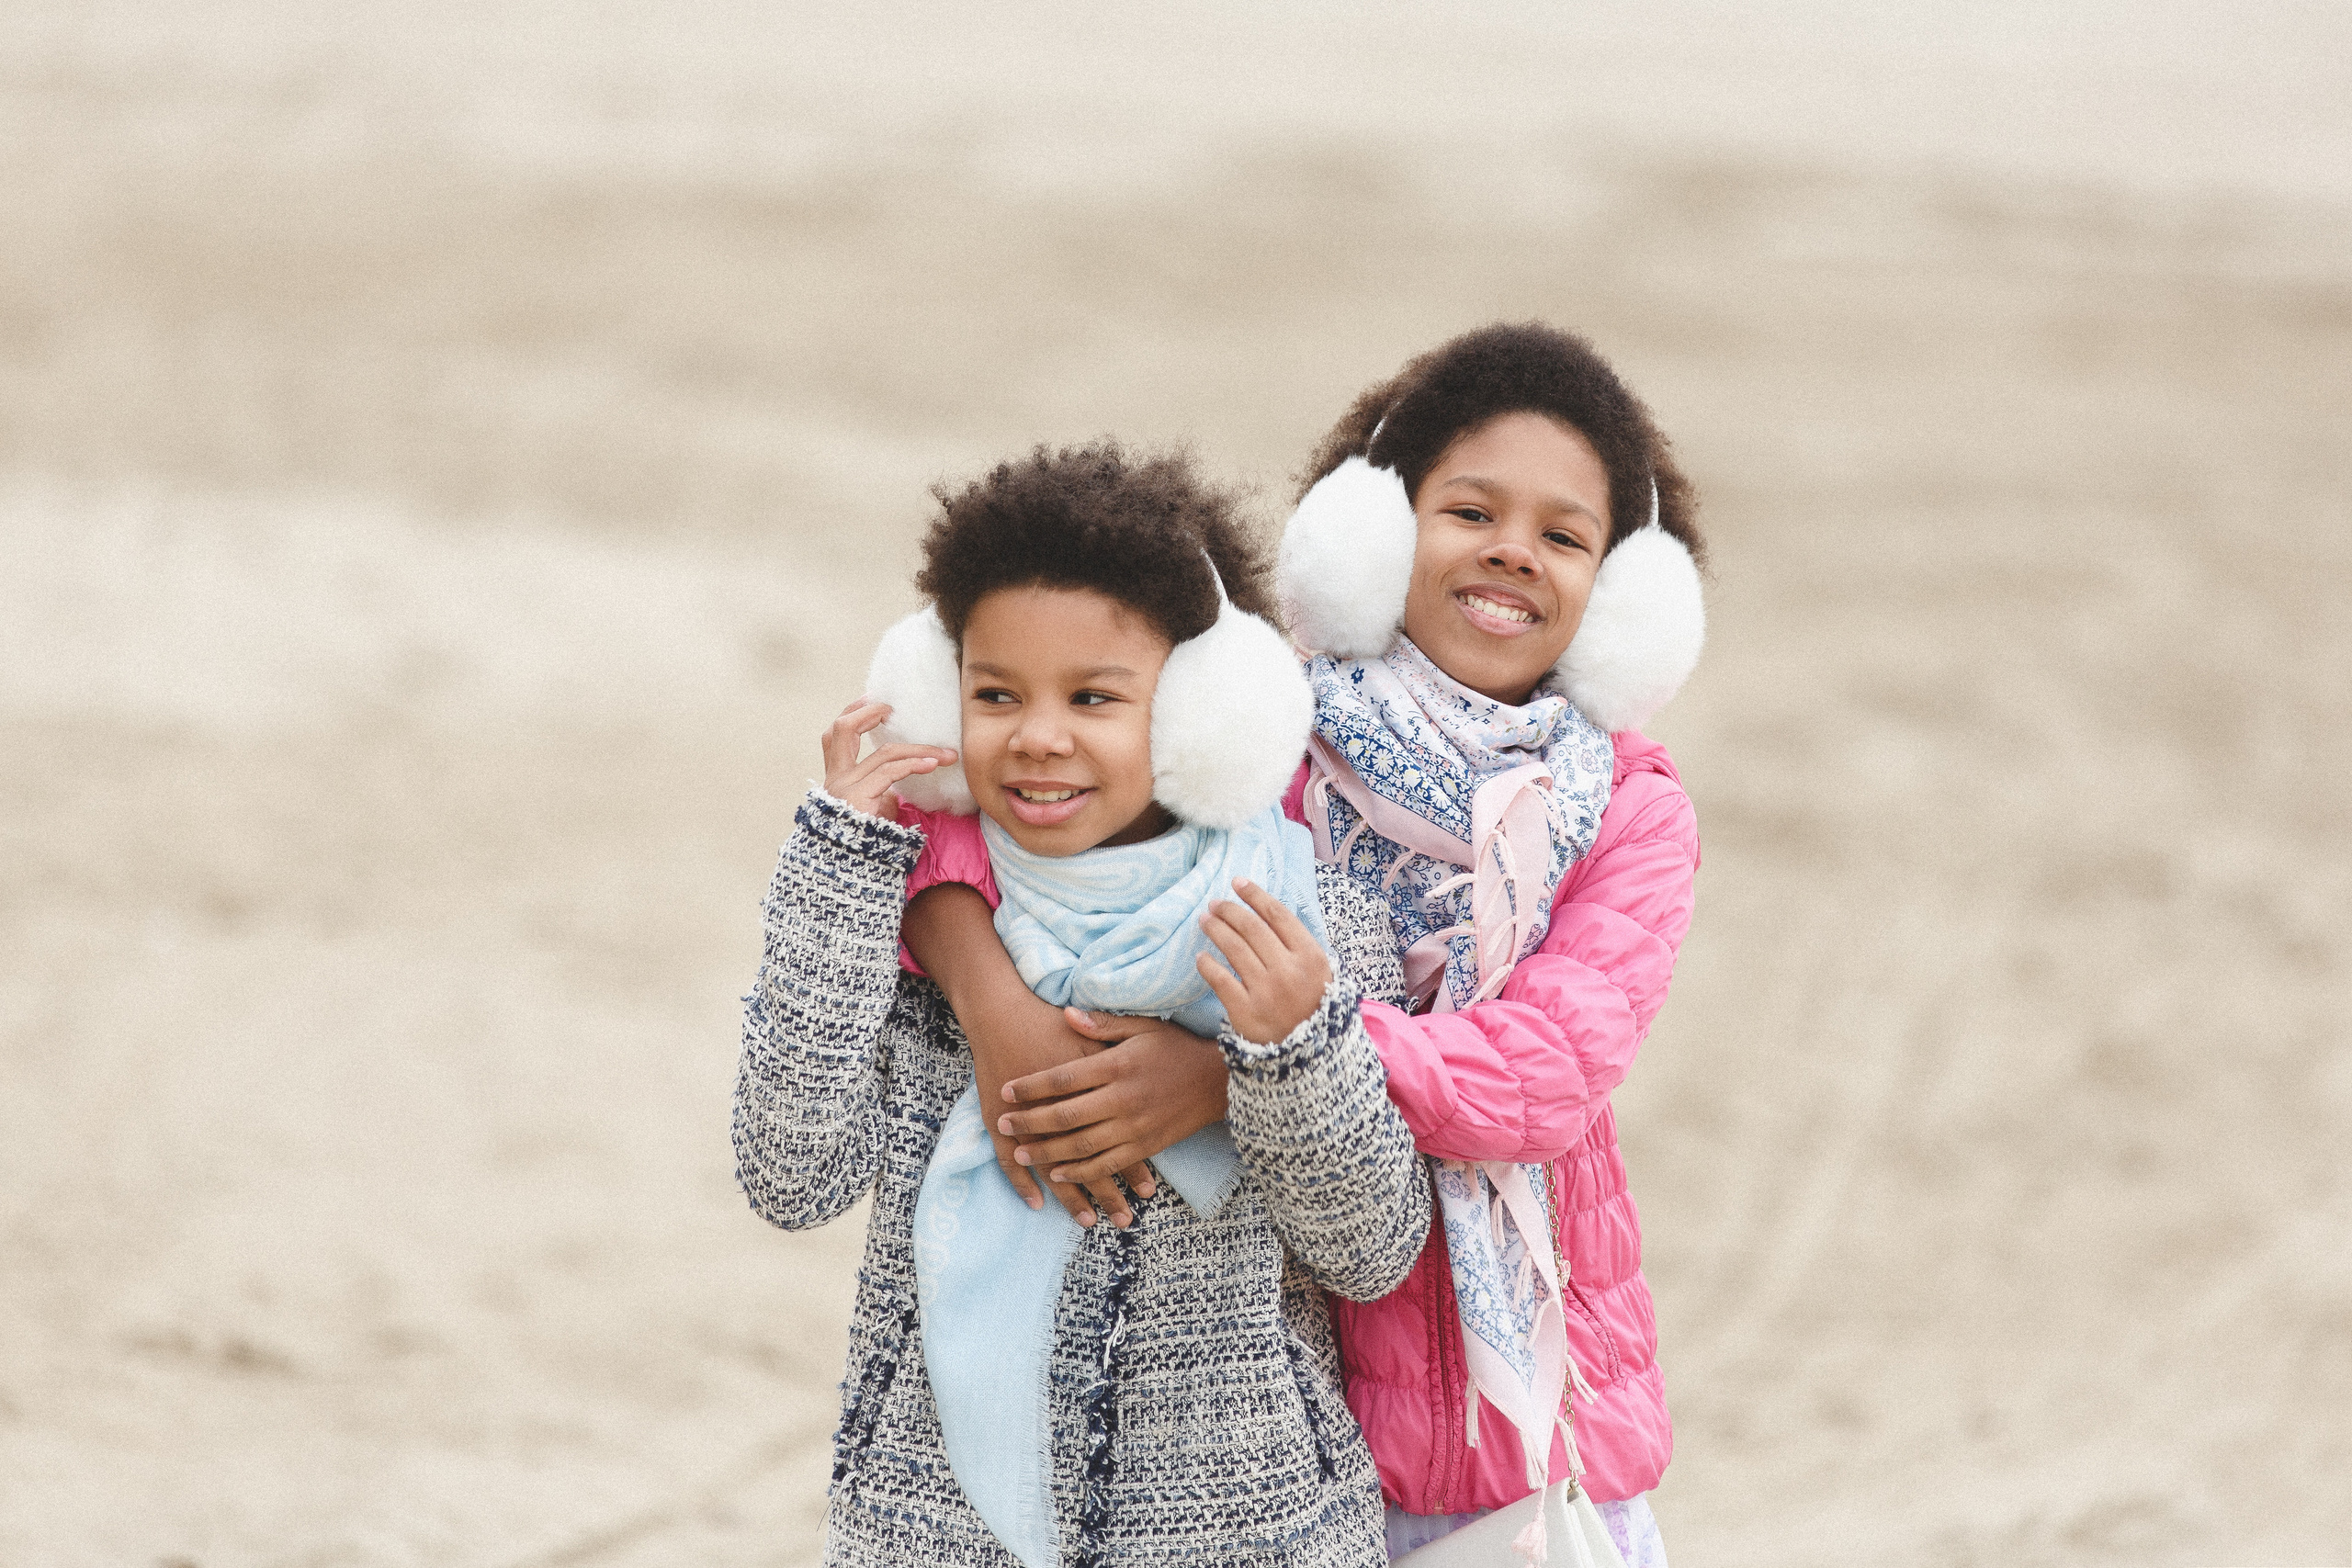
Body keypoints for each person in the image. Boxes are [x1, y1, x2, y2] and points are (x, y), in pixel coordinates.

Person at [904, 325, 1705, 1566]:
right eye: (1471, 509)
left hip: (1528, 1435)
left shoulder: (1633, 809)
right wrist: (984, 984)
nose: (1511, 550)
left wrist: (1245, 1068)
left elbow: (1539, 1070)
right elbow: (979, 801)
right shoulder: (1259, 722)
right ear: (1373, 531)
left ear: (1627, 597)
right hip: (1295, 1430)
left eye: (1564, 535)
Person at [733, 440, 1430, 1568]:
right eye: (995, 693)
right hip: (934, 1529)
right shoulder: (902, 917)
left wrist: (1276, 1056)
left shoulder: (1306, 932)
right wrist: (840, 867)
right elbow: (788, 1174)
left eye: (1095, 697)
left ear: (1208, 709)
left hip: (1247, 1535)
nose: (1037, 735)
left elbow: (1368, 1249)